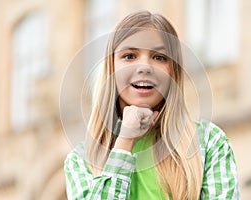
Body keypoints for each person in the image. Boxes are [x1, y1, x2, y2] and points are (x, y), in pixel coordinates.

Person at [64, 10, 240, 200]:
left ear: (173, 72)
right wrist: (125, 140)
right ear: (111, 69)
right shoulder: (80, 160)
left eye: (159, 57)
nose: (144, 67)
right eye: (130, 56)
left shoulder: (209, 142)